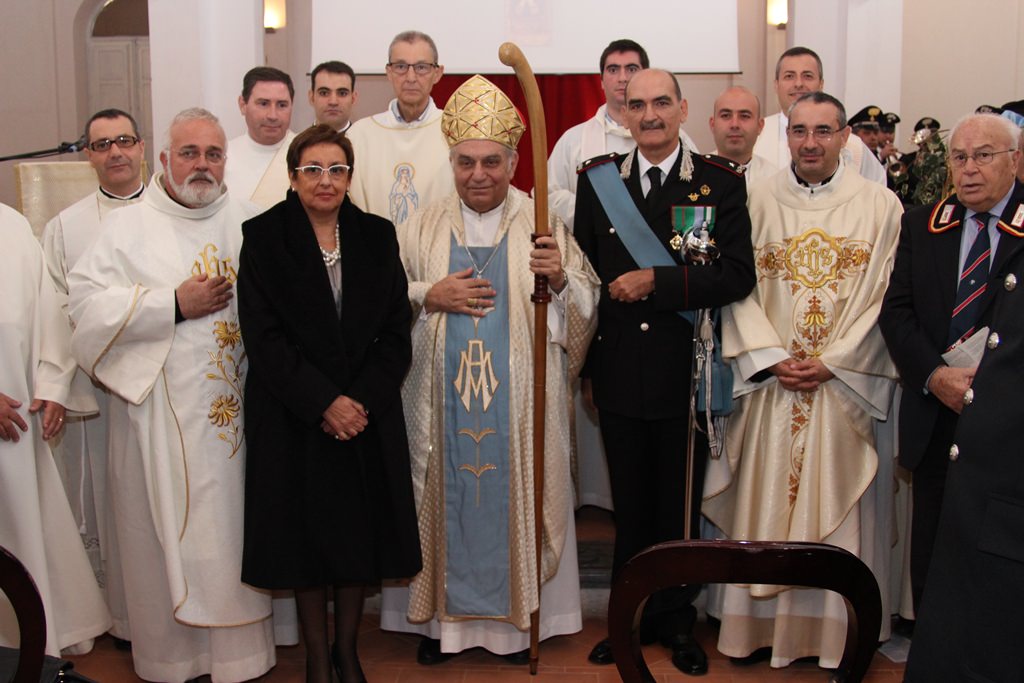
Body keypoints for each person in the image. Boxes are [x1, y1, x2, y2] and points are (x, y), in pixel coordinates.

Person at [381, 74, 599, 664]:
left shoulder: (542, 223)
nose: (479, 175)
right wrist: (430, 294)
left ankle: (516, 625)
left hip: (521, 412)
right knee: (443, 496)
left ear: (512, 162)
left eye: (492, 163)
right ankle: (442, 631)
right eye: (466, 162)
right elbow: (384, 302)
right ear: (451, 161)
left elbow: (585, 304)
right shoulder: (420, 227)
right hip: (440, 409)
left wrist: (559, 277)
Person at [68, 107, 276, 683]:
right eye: (189, 153)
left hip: (239, 425)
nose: (202, 165)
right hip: (156, 422)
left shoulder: (251, 221)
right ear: (163, 159)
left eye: (212, 154)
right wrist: (171, 305)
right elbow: (84, 309)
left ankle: (242, 660)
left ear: (225, 160)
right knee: (159, 538)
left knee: (236, 536)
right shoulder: (127, 228)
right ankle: (173, 660)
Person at [703, 91, 902, 668]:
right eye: (799, 131)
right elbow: (733, 285)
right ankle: (754, 631)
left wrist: (835, 360)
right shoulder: (753, 200)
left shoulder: (879, 207)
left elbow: (890, 298)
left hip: (842, 388)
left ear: (845, 137)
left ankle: (835, 635)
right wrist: (769, 354)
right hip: (773, 385)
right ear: (784, 135)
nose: (810, 143)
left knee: (837, 510)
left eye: (823, 131)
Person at [574, 68, 755, 676]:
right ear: (622, 114)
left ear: (682, 109)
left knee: (677, 508)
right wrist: (590, 371)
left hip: (688, 373)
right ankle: (627, 621)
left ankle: (678, 623)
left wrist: (659, 280)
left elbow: (735, 275)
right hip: (621, 370)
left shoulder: (716, 184)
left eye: (660, 103)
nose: (648, 115)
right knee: (630, 506)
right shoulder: (598, 184)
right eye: (636, 105)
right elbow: (587, 284)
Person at [237, 124, 421, 683]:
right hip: (295, 415)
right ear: (293, 178)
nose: (325, 180)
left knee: (357, 536)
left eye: (336, 169)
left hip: (365, 414)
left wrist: (358, 401)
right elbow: (262, 337)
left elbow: (395, 331)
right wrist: (324, 402)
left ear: (349, 176)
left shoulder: (376, 235)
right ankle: (318, 657)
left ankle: (348, 649)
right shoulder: (264, 236)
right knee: (305, 540)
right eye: (312, 170)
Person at [880, 113, 1023, 621]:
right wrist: (935, 376)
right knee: (935, 554)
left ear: (1016, 160)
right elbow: (897, 313)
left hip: (1009, 425)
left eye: (983, 156)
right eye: (960, 158)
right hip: (937, 414)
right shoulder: (924, 222)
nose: (969, 170)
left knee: (997, 559)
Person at [39, 107, 145, 643]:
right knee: (107, 505)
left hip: (158, 391)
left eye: (124, 140)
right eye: (102, 145)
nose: (115, 152)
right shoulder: (66, 226)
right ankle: (118, 617)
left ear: (143, 147)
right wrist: (54, 387)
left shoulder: (171, 212)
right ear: (88, 155)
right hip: (96, 390)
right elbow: (54, 308)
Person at [0, 203, 111, 657]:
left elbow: (49, 311)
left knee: (23, 522)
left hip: (17, 413)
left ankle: (27, 641)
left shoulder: (12, 224)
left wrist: (51, 385)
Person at [546, 39, 699, 232]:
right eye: (613, 69)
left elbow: (697, 195)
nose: (622, 77)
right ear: (601, 81)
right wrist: (599, 212)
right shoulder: (574, 140)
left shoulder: (677, 139)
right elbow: (548, 196)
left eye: (631, 68)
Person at [346, 30, 453, 225]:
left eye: (421, 67)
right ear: (389, 72)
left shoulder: (455, 131)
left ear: (437, 73)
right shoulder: (360, 136)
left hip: (439, 252)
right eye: (401, 66)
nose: (411, 77)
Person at [753, 47, 886, 184]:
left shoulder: (853, 146)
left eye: (807, 76)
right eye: (789, 76)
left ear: (821, 84)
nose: (798, 84)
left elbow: (876, 193)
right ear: (776, 85)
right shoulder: (756, 138)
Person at [224, 66, 296, 209]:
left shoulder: (308, 153)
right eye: (263, 104)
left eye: (282, 105)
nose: (272, 116)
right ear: (242, 104)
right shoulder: (222, 157)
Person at [708, 85, 780, 186]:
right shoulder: (693, 178)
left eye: (744, 116)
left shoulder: (776, 181)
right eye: (726, 115)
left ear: (760, 126)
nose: (734, 124)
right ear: (712, 124)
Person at [308, 60, 358, 133]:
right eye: (324, 93)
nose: (333, 102)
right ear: (311, 97)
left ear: (353, 98)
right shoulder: (297, 143)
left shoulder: (366, 143)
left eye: (342, 93)